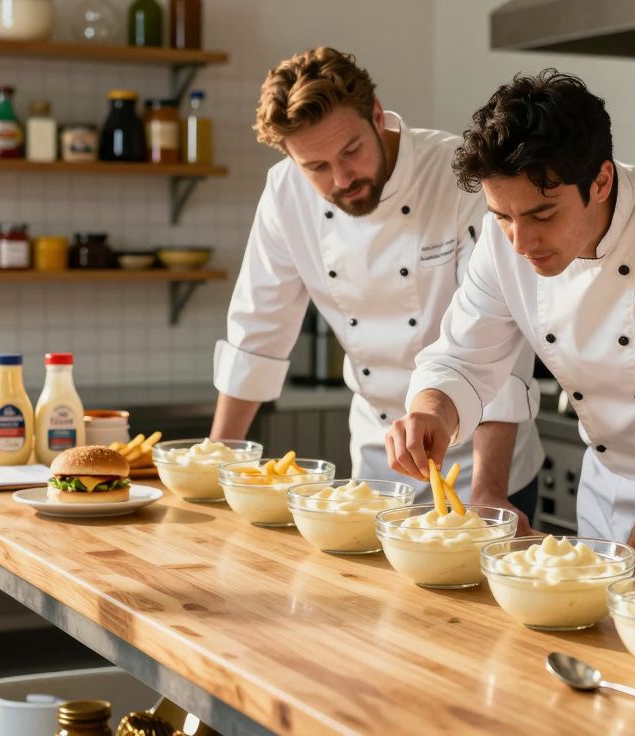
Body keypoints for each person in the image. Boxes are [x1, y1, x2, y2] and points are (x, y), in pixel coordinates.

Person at [386, 70, 635, 573]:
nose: (520, 242)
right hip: (605, 486)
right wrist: (432, 411)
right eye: (503, 216)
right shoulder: (504, 239)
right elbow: (461, 357)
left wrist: (629, 578)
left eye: (543, 216)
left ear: (602, 180)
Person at [211, 47, 544, 531]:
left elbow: (498, 345)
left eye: (350, 151)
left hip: (483, 464)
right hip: (377, 465)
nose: (341, 179)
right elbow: (255, 334)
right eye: (316, 167)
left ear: (376, 114)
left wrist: (488, 492)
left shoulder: (460, 178)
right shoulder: (285, 193)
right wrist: (218, 469)